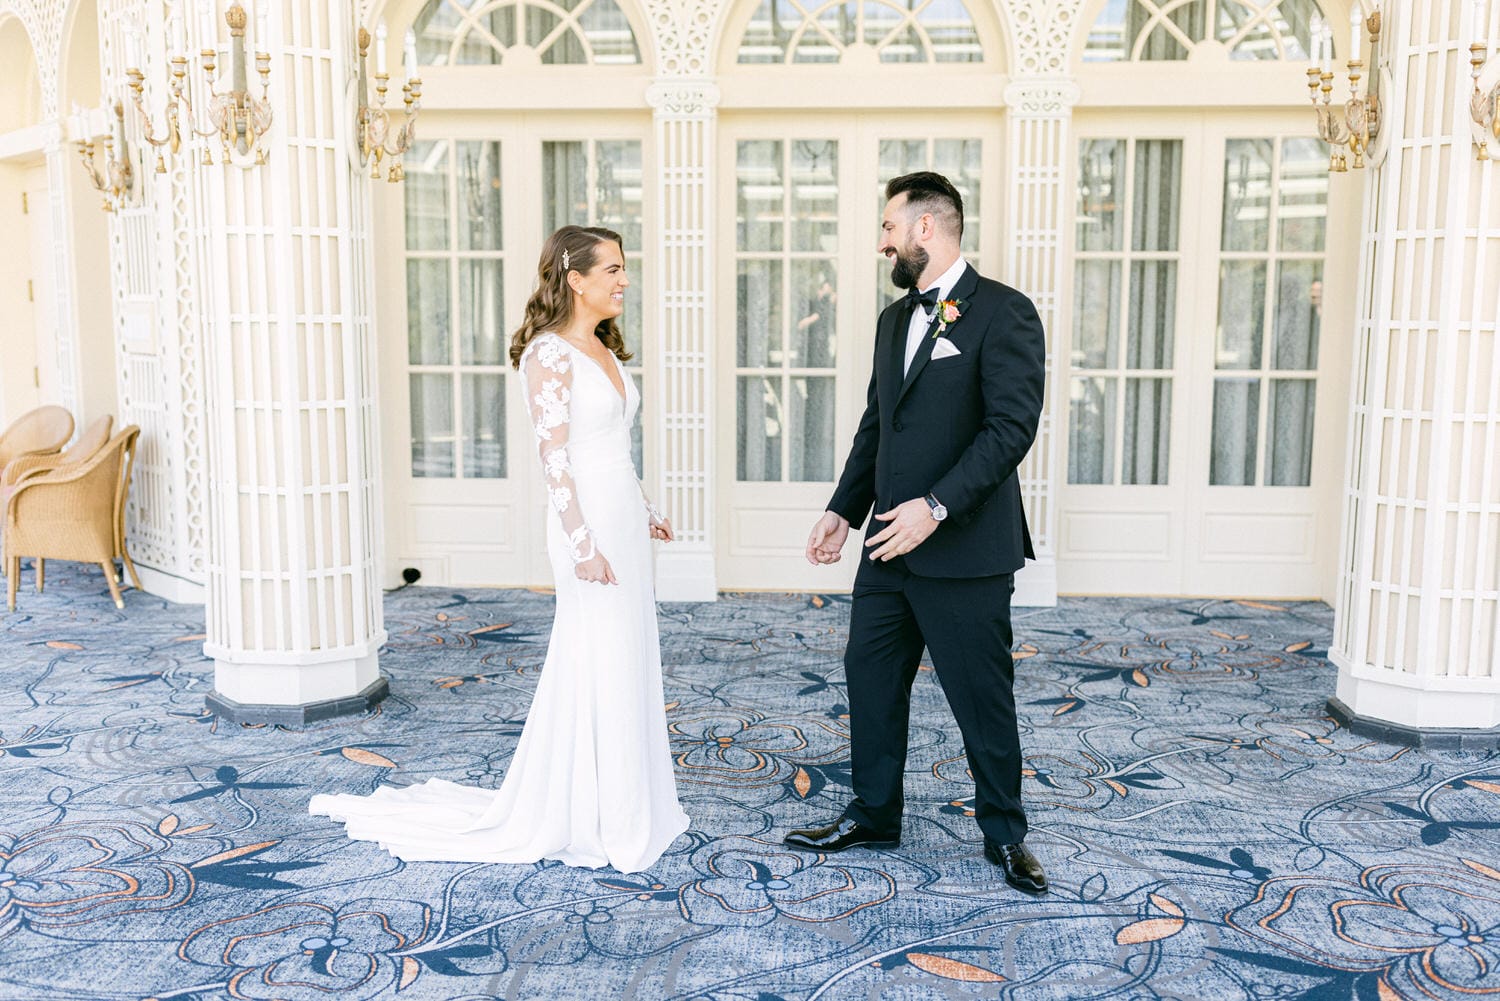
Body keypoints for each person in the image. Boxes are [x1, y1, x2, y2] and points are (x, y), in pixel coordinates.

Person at [311, 225, 690, 873]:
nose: (625, 280)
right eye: (613, 270)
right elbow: (556, 457)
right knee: (595, 656)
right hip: (585, 528)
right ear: (575, 279)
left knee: (627, 655)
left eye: (625, 269)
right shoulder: (549, 354)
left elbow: (612, 448)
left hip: (620, 518)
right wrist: (582, 544)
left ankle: (626, 801)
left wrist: (645, 511)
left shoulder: (602, 347)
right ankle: (590, 811)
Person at [784, 172, 1049, 895]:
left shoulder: (1005, 313)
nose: (881, 243)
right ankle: (874, 812)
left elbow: (1010, 430)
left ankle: (1005, 833)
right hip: (885, 547)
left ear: (926, 228)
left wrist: (934, 507)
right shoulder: (892, 322)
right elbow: (880, 426)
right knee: (869, 683)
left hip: (961, 548)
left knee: (981, 699)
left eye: (888, 228)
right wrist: (843, 508)